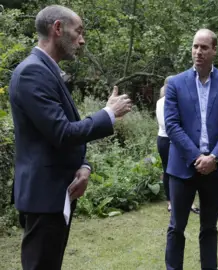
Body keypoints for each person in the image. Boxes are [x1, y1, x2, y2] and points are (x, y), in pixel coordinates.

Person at [8, 5, 132, 270]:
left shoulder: (46, 70)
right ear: (57, 29)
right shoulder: (33, 72)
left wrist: (84, 167)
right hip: (44, 197)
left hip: (56, 195)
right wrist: (108, 114)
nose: (82, 40)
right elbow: (63, 133)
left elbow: (62, 131)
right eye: (79, 31)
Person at [163, 29, 218, 270]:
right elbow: (172, 125)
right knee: (176, 227)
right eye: (195, 46)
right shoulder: (175, 83)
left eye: (204, 47)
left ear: (215, 50)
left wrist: (214, 157)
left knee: (209, 228)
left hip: (215, 170)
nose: (198, 52)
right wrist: (198, 157)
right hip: (183, 167)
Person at [156, 76, 199, 214]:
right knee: (168, 170)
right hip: (166, 140)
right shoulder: (161, 102)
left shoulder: (181, 100)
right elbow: (166, 124)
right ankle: (170, 202)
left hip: (182, 139)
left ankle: (190, 202)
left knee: (188, 169)